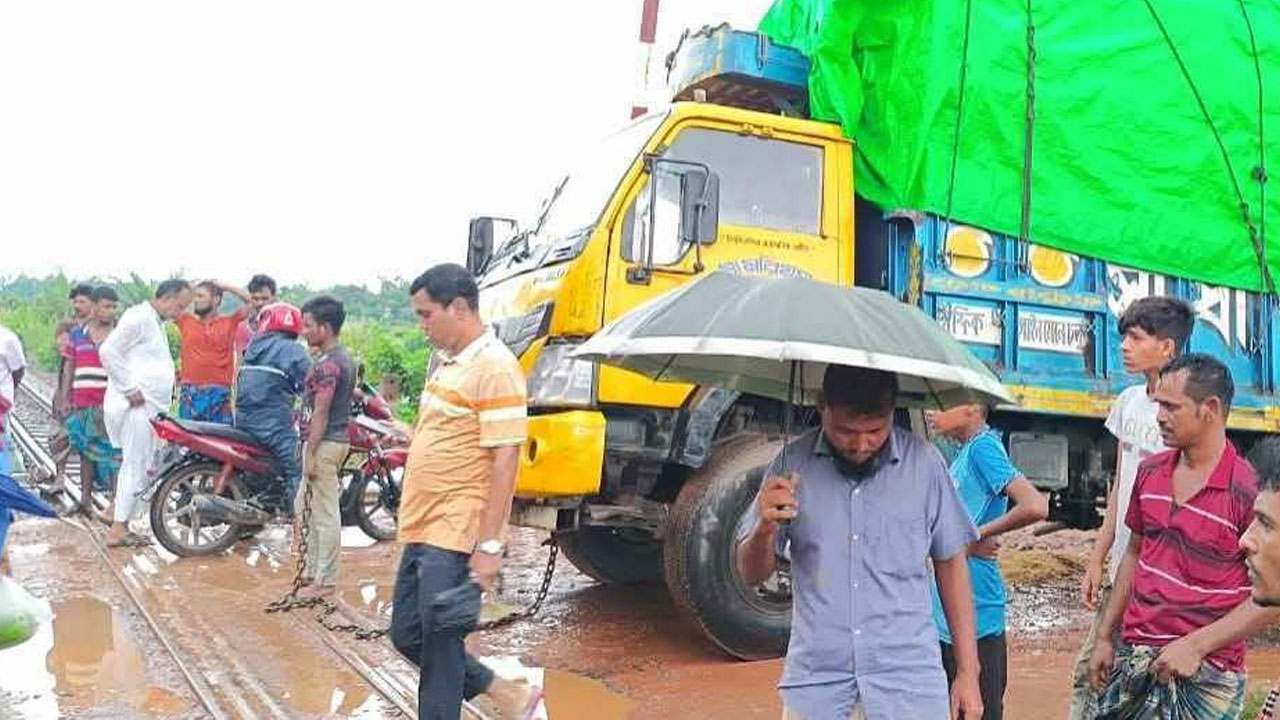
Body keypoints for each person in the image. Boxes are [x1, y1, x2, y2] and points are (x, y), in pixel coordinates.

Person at [738, 364, 985, 720]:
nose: (860, 445)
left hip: (909, 687)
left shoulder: (925, 465)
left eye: (875, 431)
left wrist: (968, 673)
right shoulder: (790, 466)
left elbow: (952, 566)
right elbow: (750, 573)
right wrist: (764, 528)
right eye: (845, 431)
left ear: (892, 412)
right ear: (822, 407)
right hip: (818, 689)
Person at [1087, 354, 1280, 718]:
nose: (1159, 416)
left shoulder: (1249, 491)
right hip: (1136, 659)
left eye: (1171, 407)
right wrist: (1105, 637)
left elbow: (1274, 596)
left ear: (1210, 409)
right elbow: (1134, 553)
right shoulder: (1149, 473)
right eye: (1158, 404)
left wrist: (1196, 645)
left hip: (1207, 674)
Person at [389, 264, 539, 720]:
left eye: (426, 314)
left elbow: (506, 459)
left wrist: (490, 545)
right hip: (424, 523)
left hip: (455, 527)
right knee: (407, 634)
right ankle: (507, 693)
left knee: (440, 647)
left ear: (457, 307)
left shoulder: (494, 366)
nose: (422, 325)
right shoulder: (449, 363)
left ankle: (501, 697)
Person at [1068, 296, 1194, 718]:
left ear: (1167, 348)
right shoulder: (1128, 402)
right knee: (1091, 674)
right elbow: (1120, 487)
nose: (1124, 346)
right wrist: (1098, 557)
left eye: (1137, 338)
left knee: (1142, 684)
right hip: (1122, 568)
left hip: (1157, 580)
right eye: (1124, 336)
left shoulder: (1184, 417)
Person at [926, 403, 1050, 720]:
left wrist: (973, 536)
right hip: (949, 616)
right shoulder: (964, 453)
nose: (931, 413)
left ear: (971, 408)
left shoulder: (983, 448)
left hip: (977, 612)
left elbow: (1035, 505)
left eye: (942, 406)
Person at [99, 279, 192, 548]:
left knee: (139, 464)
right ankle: (118, 529)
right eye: (180, 306)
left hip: (148, 407)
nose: (180, 312)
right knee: (135, 464)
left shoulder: (154, 321)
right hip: (137, 407)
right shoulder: (138, 317)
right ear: (166, 298)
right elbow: (108, 351)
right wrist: (129, 389)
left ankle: (116, 514)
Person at [295, 295, 355, 599]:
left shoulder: (330, 364)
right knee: (304, 508)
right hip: (327, 441)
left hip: (325, 443)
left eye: (308, 325)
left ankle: (325, 581)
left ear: (325, 327)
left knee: (324, 514)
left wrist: (310, 453)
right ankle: (311, 572)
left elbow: (321, 412)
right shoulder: (338, 358)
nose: (303, 331)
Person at [235, 302, 311, 517]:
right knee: (298, 466)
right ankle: (299, 519)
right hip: (271, 425)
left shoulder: (252, 347)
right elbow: (312, 382)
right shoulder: (293, 350)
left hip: (243, 420)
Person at [58, 286, 122, 494]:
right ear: (94, 306)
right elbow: (69, 366)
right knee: (85, 451)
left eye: (113, 307)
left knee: (113, 452)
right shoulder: (77, 335)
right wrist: (64, 397)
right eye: (106, 306)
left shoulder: (120, 335)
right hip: (83, 401)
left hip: (110, 403)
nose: (110, 311)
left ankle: (114, 502)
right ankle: (85, 499)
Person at [175, 280, 253, 425]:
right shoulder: (185, 321)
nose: (196, 300)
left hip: (219, 394)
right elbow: (172, 304)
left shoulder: (229, 322)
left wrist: (225, 286)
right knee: (187, 438)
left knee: (219, 438)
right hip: (190, 393)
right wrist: (191, 287)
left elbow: (251, 302)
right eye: (195, 296)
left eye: (201, 296)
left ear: (216, 300)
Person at [51, 284, 96, 478]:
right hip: (70, 390)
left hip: (92, 393)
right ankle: (60, 477)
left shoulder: (100, 329)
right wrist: (62, 394)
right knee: (61, 435)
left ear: (93, 303)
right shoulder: (69, 328)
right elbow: (65, 364)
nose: (77, 305)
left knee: (91, 443)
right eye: (75, 301)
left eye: (82, 301)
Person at [0, 311, 27, 478]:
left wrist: (8, 390)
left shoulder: (7, 338)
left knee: (2, 443)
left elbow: (18, 369)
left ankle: (4, 482)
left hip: (0, 404)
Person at [234, 274, 278, 359]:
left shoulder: (281, 328)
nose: (260, 303)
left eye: (265, 299)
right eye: (255, 299)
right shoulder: (243, 328)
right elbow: (240, 360)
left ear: (273, 298)